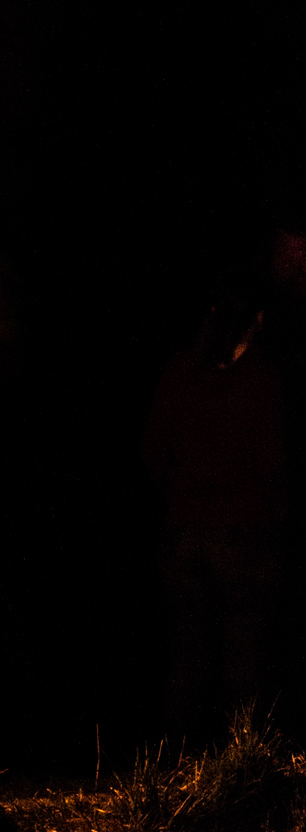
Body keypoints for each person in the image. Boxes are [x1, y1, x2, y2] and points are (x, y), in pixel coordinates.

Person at [144, 287, 287, 740]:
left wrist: (183, 495)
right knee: (244, 659)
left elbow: (153, 454)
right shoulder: (261, 379)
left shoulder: (179, 372)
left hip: (184, 533)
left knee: (187, 657)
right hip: (242, 532)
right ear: (258, 320)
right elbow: (273, 461)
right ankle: (242, 760)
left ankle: (171, 761)